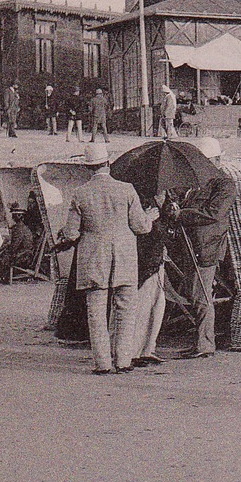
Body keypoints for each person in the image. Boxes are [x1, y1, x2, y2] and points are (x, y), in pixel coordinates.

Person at [57, 141, 156, 373]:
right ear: (108, 163)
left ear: (88, 167)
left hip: (93, 258)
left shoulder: (80, 194)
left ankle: (102, 363)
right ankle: (123, 360)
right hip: (124, 256)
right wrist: (150, 217)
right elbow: (141, 227)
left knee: (96, 312)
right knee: (126, 310)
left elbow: (71, 233)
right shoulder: (127, 189)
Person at [173, 137, 236, 358]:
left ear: (216, 160)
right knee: (195, 293)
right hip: (194, 245)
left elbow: (213, 214)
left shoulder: (224, 184)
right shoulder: (198, 183)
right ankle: (202, 341)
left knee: (201, 295)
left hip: (207, 247)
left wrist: (182, 214)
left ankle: (205, 344)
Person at [128, 189, 170, 368]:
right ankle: (132, 352)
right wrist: (146, 218)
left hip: (157, 259)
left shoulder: (165, 201)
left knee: (157, 305)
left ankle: (147, 349)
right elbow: (135, 227)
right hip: (144, 261)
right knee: (141, 307)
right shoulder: (141, 199)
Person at [0, 203, 41, 284]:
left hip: (22, 256)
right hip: (25, 254)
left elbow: (14, 247)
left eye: (14, 215)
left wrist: (6, 248)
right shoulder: (23, 228)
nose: (13, 217)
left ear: (19, 216)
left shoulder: (19, 229)